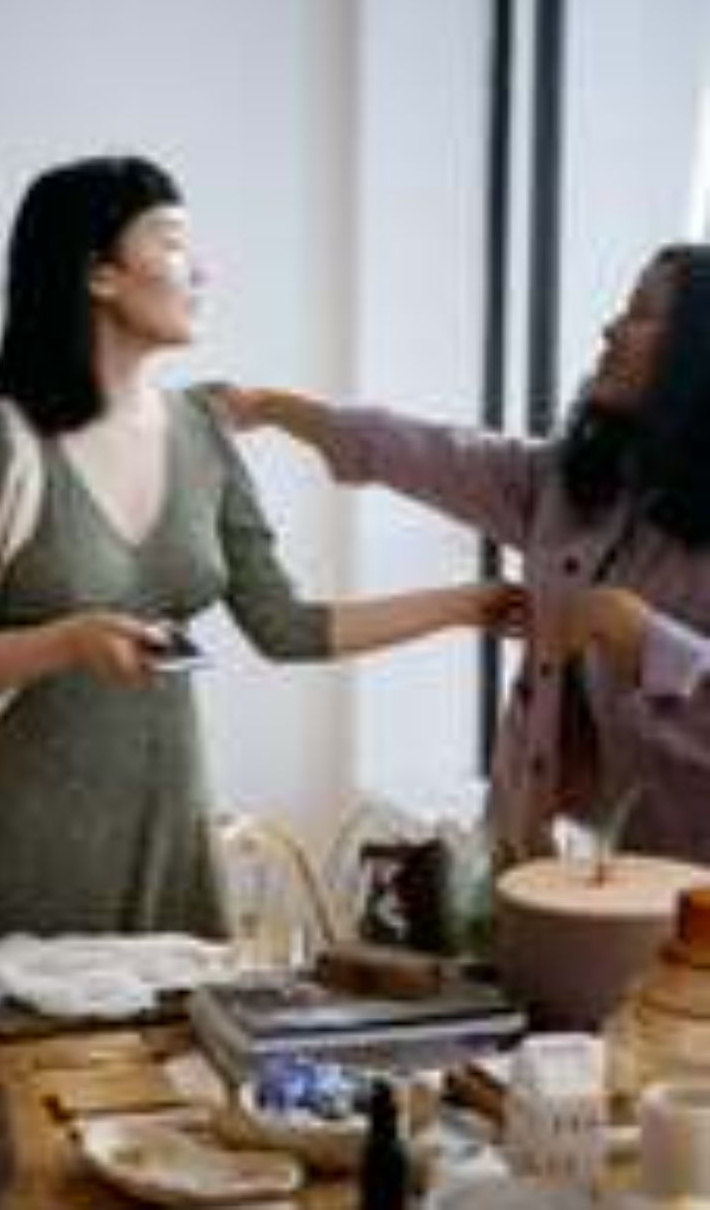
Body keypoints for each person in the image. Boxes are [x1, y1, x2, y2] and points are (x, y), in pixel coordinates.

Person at [0, 155, 526, 937]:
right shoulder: (5, 440)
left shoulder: (203, 432)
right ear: (99, 274)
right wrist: (66, 642)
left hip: (171, 829)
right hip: (24, 842)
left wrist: (471, 605)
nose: (201, 271)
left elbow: (285, 627)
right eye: (173, 245)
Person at [220, 244, 710, 865]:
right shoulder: (578, 481)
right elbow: (431, 452)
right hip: (538, 855)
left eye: (640, 314)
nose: (610, 329)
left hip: (681, 879)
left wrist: (647, 640)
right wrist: (270, 407)